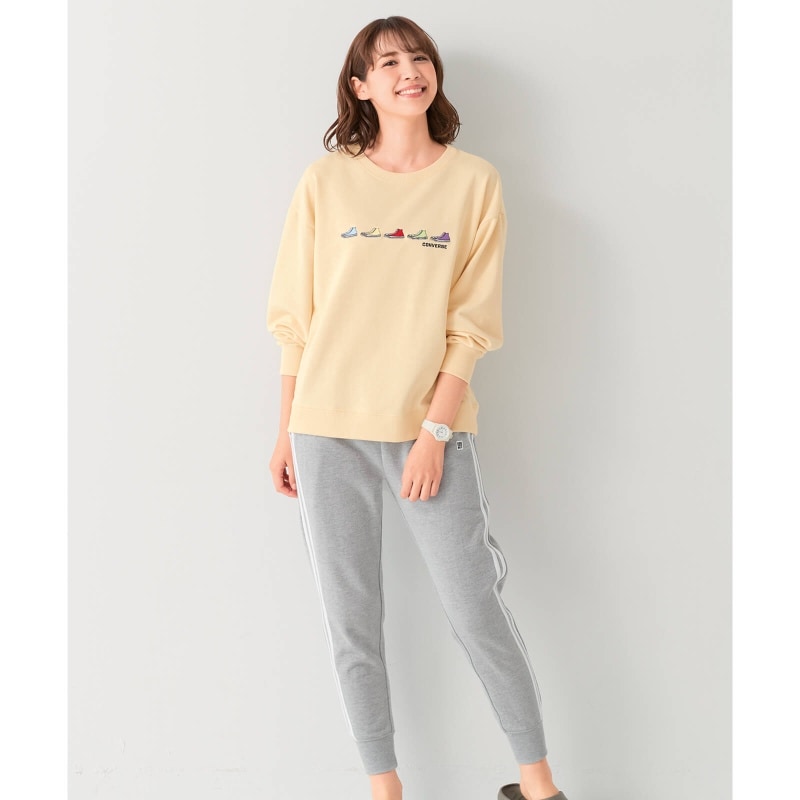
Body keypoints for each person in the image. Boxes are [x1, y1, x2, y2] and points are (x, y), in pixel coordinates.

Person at [266, 16, 569, 800]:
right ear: (360, 86)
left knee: (475, 608)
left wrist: (434, 431)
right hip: (325, 430)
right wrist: (285, 430)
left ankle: (538, 785)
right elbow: (296, 316)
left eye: (420, 57)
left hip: (428, 434)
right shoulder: (325, 182)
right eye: (389, 62)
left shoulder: (474, 183)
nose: (410, 71)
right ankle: (385, 787)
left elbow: (472, 324)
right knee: (352, 622)